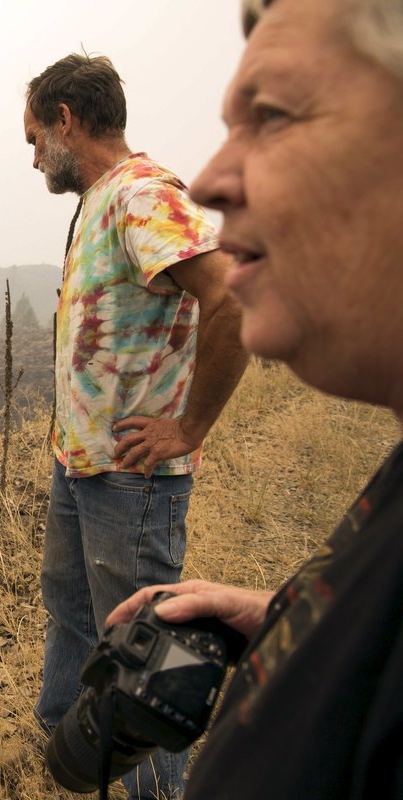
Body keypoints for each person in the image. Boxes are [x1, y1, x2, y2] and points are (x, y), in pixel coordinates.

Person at [106, 0, 403, 796]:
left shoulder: (139, 197)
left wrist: (187, 425)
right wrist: (293, 617)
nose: (207, 180)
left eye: (271, 114)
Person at [22, 53, 248, 799]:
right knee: (73, 609)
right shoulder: (100, 198)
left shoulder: (143, 194)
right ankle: (69, 752)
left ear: (66, 120)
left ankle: (156, 790)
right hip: (82, 465)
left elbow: (231, 301)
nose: (33, 160)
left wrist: (188, 427)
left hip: (131, 479)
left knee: (147, 659)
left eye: (33, 140)